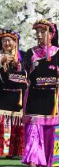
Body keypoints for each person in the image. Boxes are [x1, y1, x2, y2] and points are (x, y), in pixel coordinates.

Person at [21, 19, 59, 167]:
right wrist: (19, 67)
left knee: (50, 128)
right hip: (34, 95)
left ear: (51, 34)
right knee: (34, 127)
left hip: (51, 96)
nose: (39, 35)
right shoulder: (31, 52)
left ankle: (49, 160)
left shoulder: (58, 52)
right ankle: (33, 159)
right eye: (37, 32)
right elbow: (23, 69)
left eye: (43, 32)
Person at [0, 29, 26, 159]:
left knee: (17, 123)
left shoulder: (23, 57)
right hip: (3, 95)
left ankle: (15, 151)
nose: (7, 43)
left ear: (15, 43)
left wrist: (19, 66)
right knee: (4, 123)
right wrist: (2, 61)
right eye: (4, 41)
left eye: (9, 40)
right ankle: (4, 150)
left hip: (18, 96)